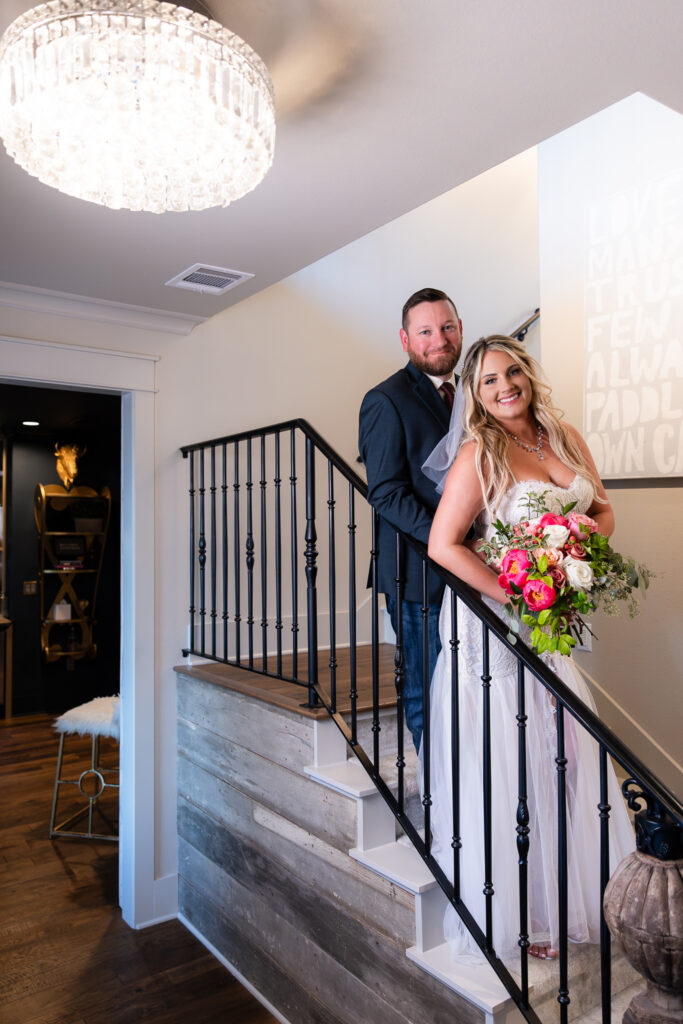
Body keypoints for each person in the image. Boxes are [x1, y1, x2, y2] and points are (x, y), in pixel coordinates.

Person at [425, 335, 634, 961]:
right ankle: (524, 911)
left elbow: (602, 511)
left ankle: (575, 896)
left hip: (552, 616)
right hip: (495, 619)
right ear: (476, 396)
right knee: (513, 755)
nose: (504, 386)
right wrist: (517, 596)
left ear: (528, 374)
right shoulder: (477, 454)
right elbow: (444, 544)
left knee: (564, 747)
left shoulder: (563, 436)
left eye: (511, 371)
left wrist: (573, 549)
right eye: (488, 381)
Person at [358, 288, 463, 750]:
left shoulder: (470, 395)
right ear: (405, 339)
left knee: (467, 693)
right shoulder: (385, 399)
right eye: (426, 331)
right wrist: (449, 541)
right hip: (418, 576)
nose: (438, 339)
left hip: (468, 572)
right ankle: (436, 805)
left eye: (447, 327)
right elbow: (386, 493)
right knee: (426, 694)